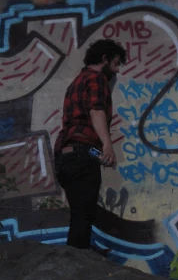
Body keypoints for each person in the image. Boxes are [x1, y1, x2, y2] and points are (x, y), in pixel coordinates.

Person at [53, 38, 126, 253]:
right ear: (104, 59)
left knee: (79, 215)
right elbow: (96, 110)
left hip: (63, 157)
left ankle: (75, 259)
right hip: (82, 156)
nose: (118, 70)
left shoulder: (76, 81)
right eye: (116, 63)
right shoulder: (96, 79)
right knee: (84, 216)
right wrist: (107, 145)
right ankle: (76, 264)